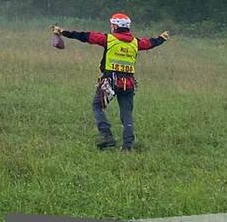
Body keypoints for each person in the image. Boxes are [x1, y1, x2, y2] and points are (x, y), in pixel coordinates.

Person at [51, 13, 170, 151]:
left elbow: (85, 36)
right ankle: (128, 146)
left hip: (111, 81)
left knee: (97, 106)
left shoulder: (108, 39)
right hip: (129, 83)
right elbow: (151, 43)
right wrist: (162, 38)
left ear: (115, 26)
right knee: (126, 114)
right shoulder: (136, 42)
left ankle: (107, 137)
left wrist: (63, 32)